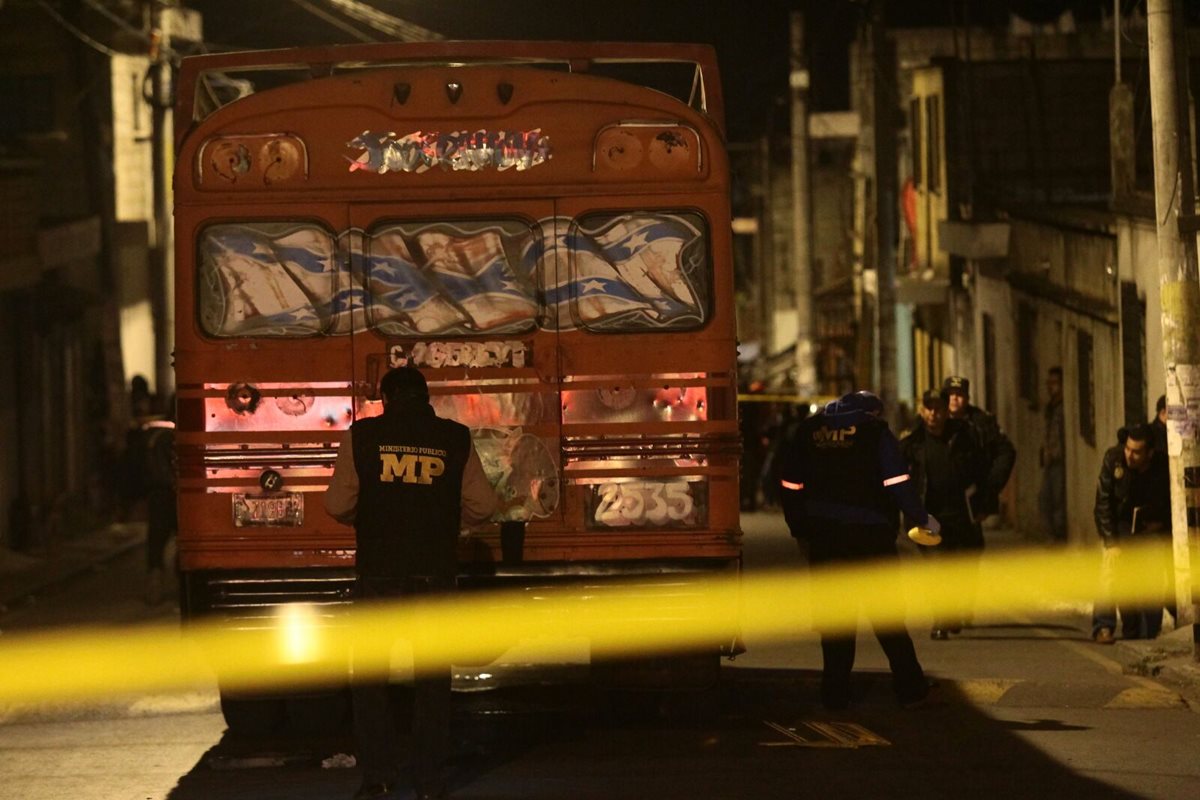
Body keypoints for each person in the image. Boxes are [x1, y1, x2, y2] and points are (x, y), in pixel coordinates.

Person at [325, 367, 498, 800]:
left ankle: (379, 778)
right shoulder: (455, 437)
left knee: (370, 684)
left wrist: (365, 515)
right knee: (433, 685)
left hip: (379, 575)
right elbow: (484, 504)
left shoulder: (361, 437)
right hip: (434, 574)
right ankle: (430, 783)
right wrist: (452, 524)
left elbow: (338, 504)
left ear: (385, 399)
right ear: (426, 398)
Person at [777, 390, 938, 710]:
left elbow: (789, 484)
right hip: (871, 538)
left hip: (825, 538)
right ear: (872, 412)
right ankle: (910, 688)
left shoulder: (809, 431)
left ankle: (835, 695)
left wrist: (801, 530)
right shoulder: (874, 432)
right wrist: (922, 518)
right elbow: (897, 483)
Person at [900, 390, 989, 639]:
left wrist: (983, 503)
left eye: (937, 409)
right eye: (928, 409)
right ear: (922, 411)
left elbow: (981, 470)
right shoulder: (912, 442)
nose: (933, 414)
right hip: (928, 517)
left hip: (961, 515)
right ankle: (940, 619)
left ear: (944, 411)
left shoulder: (963, 436)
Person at [1092, 423, 1172, 644]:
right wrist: (1111, 542)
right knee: (1111, 572)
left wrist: (1159, 523)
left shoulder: (1161, 466)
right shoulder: (1114, 459)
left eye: (1137, 451)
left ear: (1149, 453)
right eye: (1128, 448)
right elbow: (1103, 503)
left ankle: (1147, 632)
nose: (1130, 455)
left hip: (1148, 527)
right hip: (1119, 526)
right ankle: (1103, 626)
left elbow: (1170, 503)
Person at [941, 376, 1016, 521]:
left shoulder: (980, 422)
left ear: (967, 398)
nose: (954, 398)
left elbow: (1006, 452)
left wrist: (991, 487)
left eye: (959, 394)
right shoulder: (934, 419)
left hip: (971, 497)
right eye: (950, 394)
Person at [142, 401, 178, 606]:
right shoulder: (180, 437)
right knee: (182, 540)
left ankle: (154, 587)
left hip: (158, 496)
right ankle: (180, 582)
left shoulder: (154, 437)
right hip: (177, 495)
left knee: (156, 543)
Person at [1039, 367, 1067, 542]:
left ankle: (1059, 537)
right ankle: (1053, 535)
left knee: (1057, 500)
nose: (1051, 387)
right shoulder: (1051, 407)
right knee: (1045, 499)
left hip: (1060, 460)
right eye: (1049, 383)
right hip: (1051, 460)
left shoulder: (1063, 408)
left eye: (1054, 383)